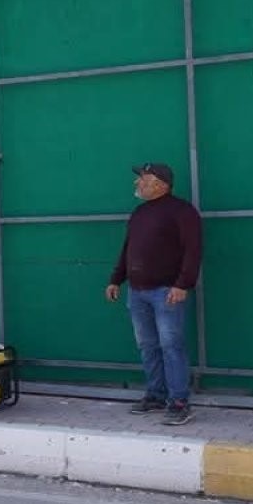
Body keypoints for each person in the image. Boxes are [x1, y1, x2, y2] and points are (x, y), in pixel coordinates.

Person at [104, 163, 203, 426]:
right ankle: (156, 395)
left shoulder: (182, 211)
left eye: (143, 179)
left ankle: (179, 401)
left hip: (167, 292)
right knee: (147, 346)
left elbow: (193, 251)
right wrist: (116, 279)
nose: (137, 184)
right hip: (137, 293)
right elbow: (128, 249)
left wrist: (183, 285)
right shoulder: (139, 213)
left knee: (171, 346)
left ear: (161, 184)